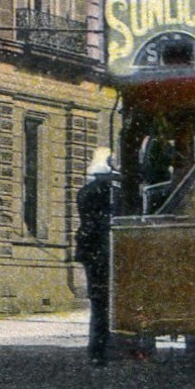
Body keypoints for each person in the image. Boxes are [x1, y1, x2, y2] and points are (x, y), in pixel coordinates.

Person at [75, 149, 116, 365]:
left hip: (92, 254)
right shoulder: (108, 194)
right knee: (105, 303)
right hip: (104, 252)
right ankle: (102, 350)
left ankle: (97, 351)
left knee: (99, 304)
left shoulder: (84, 192)